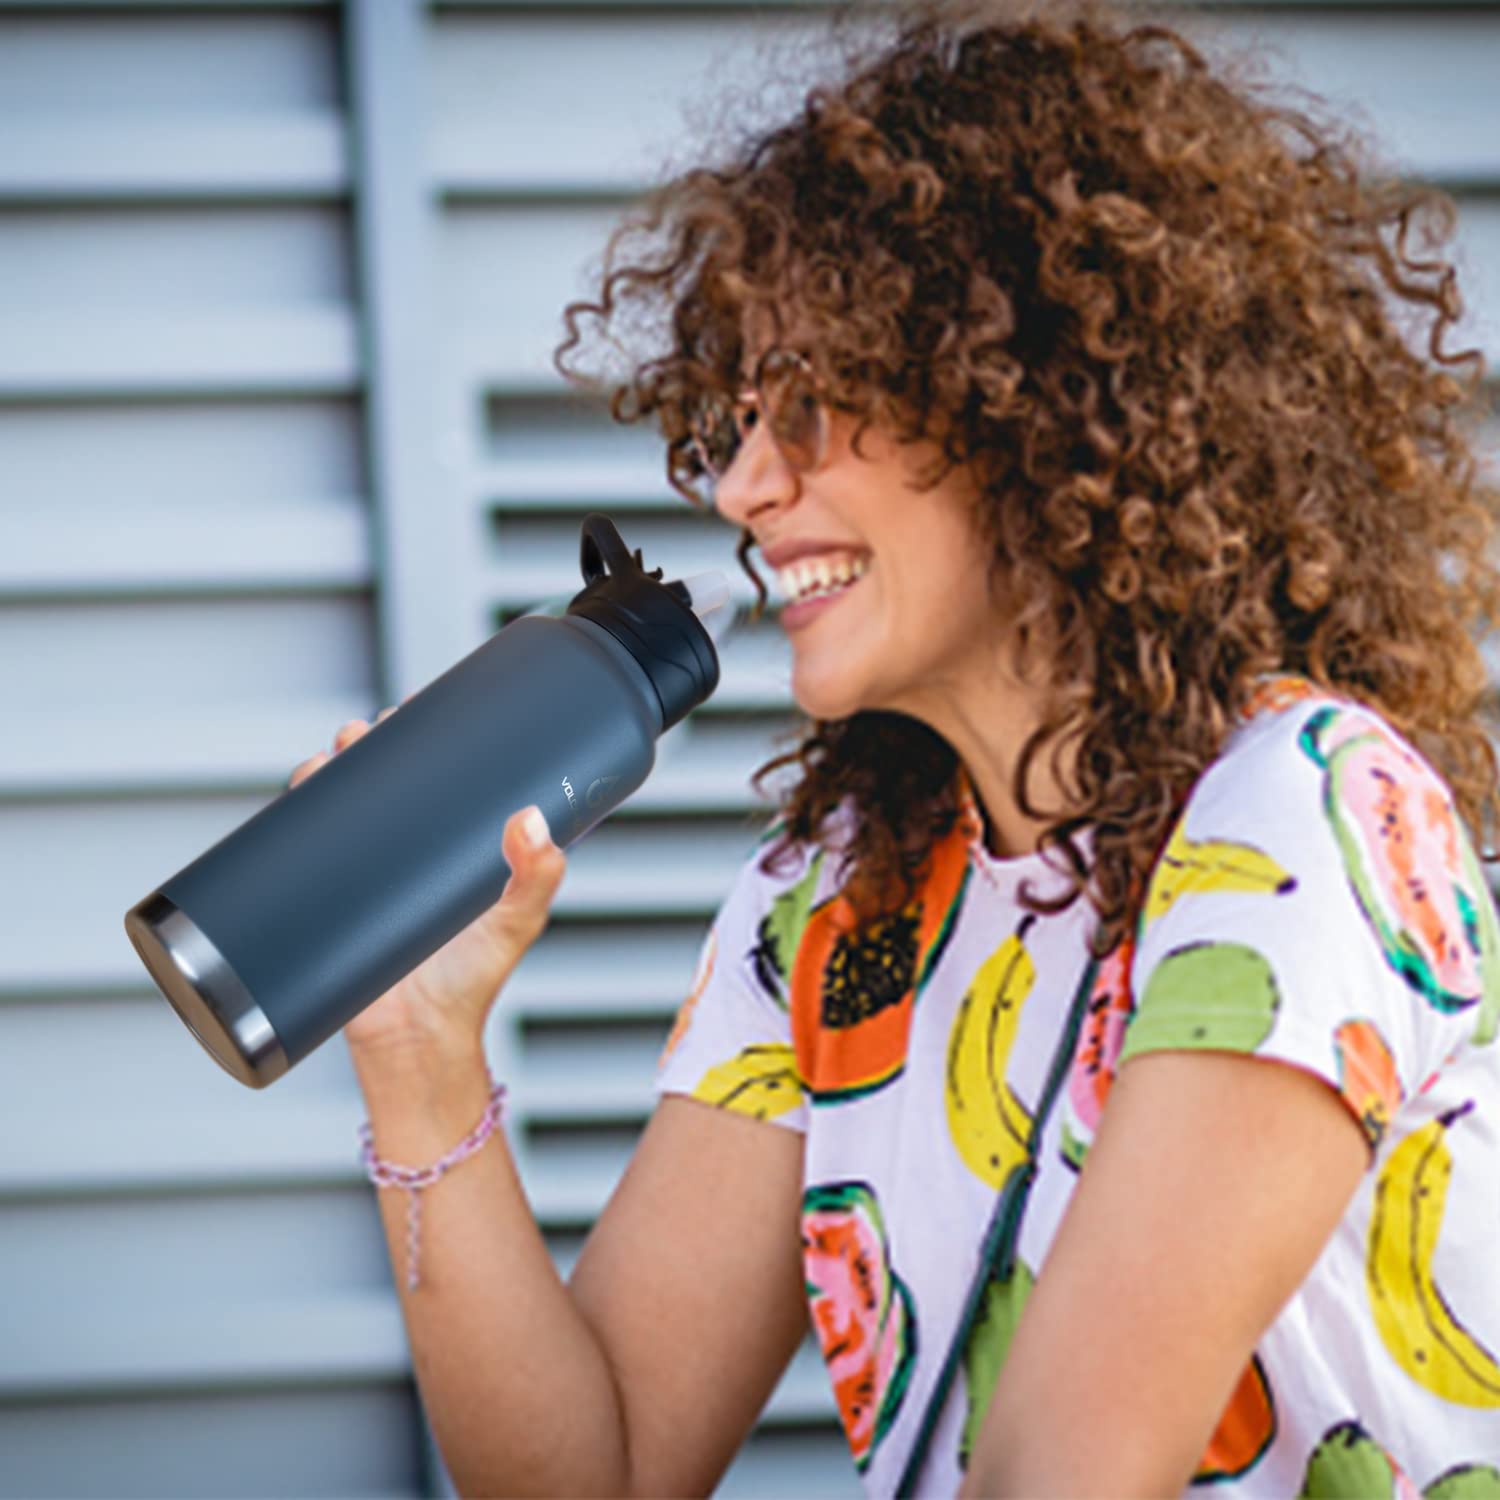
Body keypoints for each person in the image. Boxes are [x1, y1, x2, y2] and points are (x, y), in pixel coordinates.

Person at [290, 0, 1500, 1492]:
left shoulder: (1311, 815)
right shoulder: (837, 906)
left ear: (1038, 405)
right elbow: (589, 1477)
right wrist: (419, 1063)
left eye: (813, 404)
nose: (738, 485)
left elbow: (1063, 1469)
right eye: (736, 417)